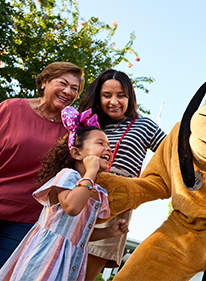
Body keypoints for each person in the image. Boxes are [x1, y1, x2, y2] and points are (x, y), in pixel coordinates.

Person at [0, 107, 129, 281]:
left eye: (109, 146)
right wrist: (90, 172)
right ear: (77, 153)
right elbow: (72, 207)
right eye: (100, 143)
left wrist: (109, 231)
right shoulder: (68, 176)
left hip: (70, 262)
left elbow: (81, 233)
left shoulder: (97, 192)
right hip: (45, 258)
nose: (108, 148)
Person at [78, 69, 166, 280]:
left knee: (87, 272)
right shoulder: (89, 124)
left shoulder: (144, 125)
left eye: (121, 95)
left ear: (130, 97)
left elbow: (171, 153)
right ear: (98, 97)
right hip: (82, 193)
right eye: (107, 95)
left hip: (115, 201)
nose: (114, 101)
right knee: (62, 258)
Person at [0, 61, 85, 267]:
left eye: (75, 89)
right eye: (63, 83)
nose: (68, 91)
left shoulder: (72, 132)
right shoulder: (11, 108)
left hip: (27, 218)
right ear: (44, 82)